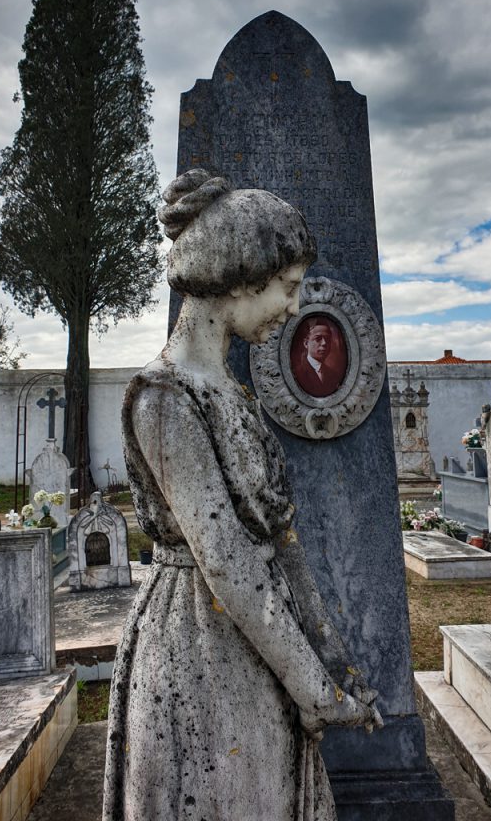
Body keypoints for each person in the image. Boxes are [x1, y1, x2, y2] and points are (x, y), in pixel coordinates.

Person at [103, 169, 381, 821]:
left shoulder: (232, 394)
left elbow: (282, 541)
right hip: (198, 645)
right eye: (287, 286)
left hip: (261, 641)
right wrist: (310, 686)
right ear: (240, 276)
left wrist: (331, 662)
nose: (294, 307)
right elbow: (224, 558)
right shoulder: (164, 398)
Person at [293, 319, 342, 397]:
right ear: (306, 343)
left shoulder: (334, 375)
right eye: (318, 338)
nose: (324, 343)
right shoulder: (296, 372)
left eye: (327, 339)